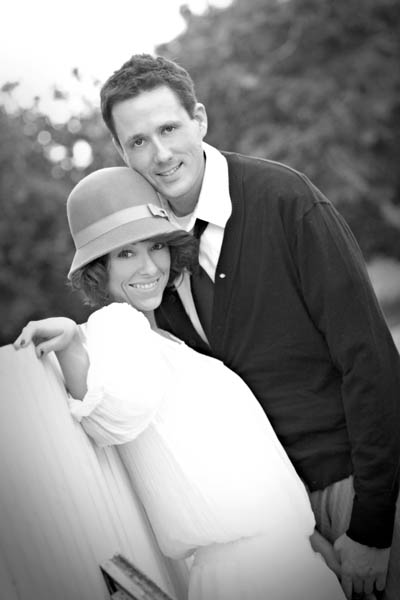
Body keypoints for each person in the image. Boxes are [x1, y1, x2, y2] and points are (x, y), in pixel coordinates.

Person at [98, 54, 400, 600]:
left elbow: (371, 358)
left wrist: (374, 526)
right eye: (138, 141)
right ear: (122, 153)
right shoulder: (152, 258)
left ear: (199, 119)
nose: (160, 154)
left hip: (357, 486)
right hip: (280, 525)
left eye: (169, 129)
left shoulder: (285, 200)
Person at [13, 167, 346, 600]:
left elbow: (244, 461)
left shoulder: (166, 340)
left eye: (156, 246)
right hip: (251, 575)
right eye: (125, 253)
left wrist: (311, 541)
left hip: (287, 560)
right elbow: (114, 414)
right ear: (99, 269)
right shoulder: (118, 323)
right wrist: (72, 344)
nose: (149, 265)